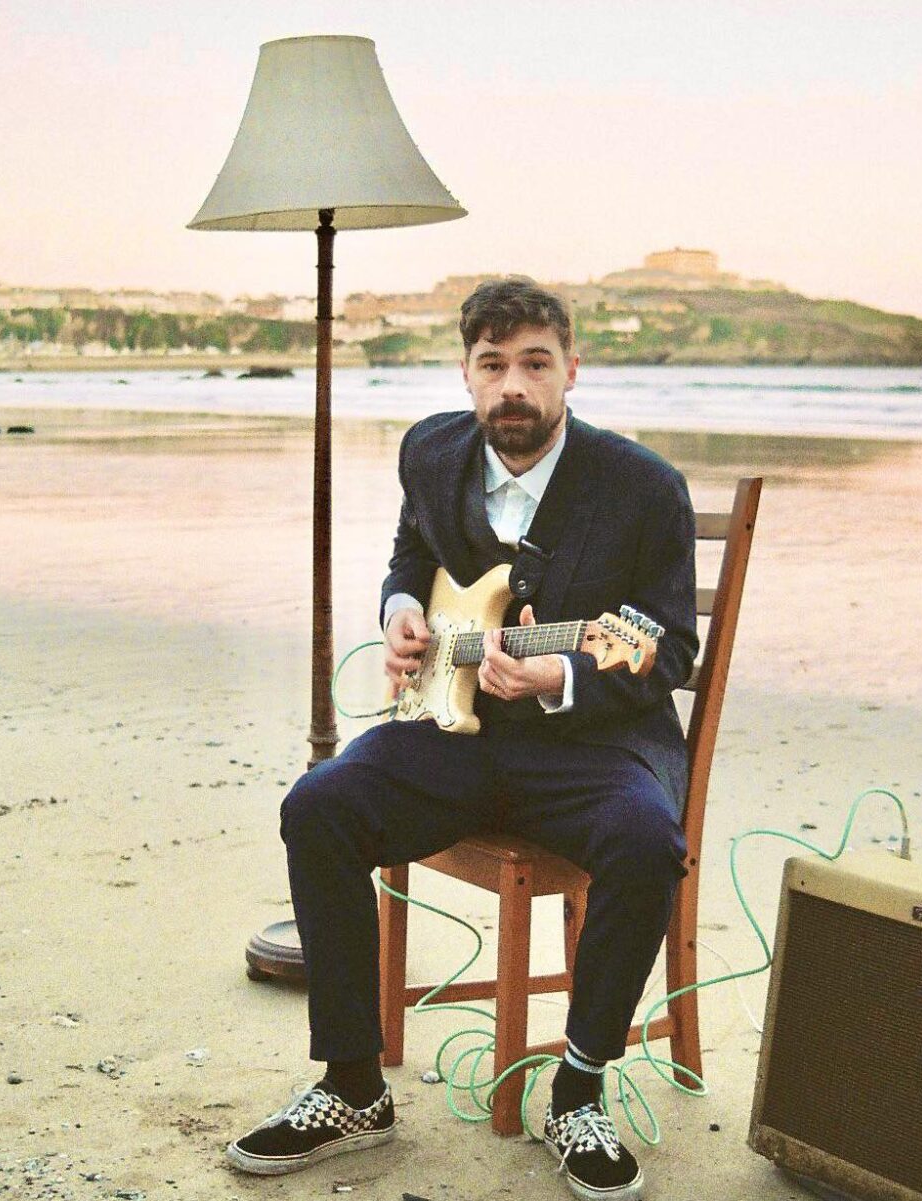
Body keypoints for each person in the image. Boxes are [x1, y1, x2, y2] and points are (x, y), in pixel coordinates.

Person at [227, 278, 699, 1200]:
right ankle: (353, 1086)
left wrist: (561, 674)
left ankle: (578, 1089)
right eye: (494, 365)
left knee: (649, 844)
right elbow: (412, 552)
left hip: (592, 747)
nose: (513, 385)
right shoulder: (432, 450)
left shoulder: (645, 487)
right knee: (317, 806)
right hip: (451, 730)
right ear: (467, 372)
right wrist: (401, 610)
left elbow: (668, 645)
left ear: (572, 369)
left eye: (535, 363)